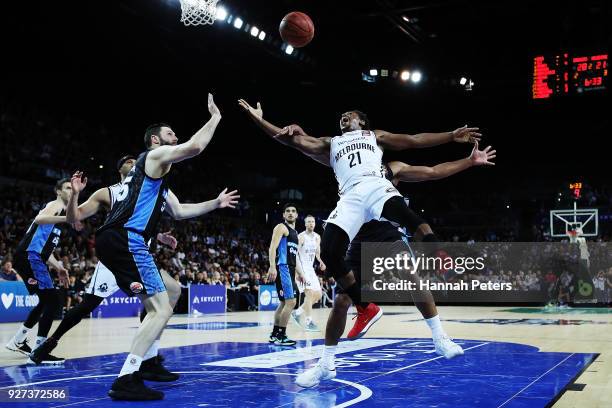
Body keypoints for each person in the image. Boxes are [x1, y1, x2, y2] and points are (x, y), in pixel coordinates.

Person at [238, 99, 488, 387]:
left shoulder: (388, 165)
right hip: (357, 231)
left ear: (364, 125)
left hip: (385, 232)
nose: (344, 116)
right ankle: (326, 363)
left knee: (413, 278)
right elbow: (293, 141)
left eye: (351, 114)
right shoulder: (333, 146)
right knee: (342, 299)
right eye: (342, 115)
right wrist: (261, 120)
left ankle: (440, 337)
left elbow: (428, 164)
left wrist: (465, 157)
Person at [95, 94, 239, 400]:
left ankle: (149, 361)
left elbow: (180, 212)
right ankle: (127, 377)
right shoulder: (154, 156)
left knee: (171, 291)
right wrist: (215, 118)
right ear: (155, 139)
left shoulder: (157, 180)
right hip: (127, 238)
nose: (177, 138)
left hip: (116, 239)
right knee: (160, 308)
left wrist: (215, 202)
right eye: (171, 134)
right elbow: (195, 147)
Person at [28, 156, 178, 366]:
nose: (134, 163)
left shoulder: (147, 190)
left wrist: (159, 236)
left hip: (136, 255)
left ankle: (148, 357)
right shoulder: (109, 191)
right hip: (115, 256)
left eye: (136, 161)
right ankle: (48, 344)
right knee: (89, 305)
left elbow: (144, 222)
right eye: (128, 161)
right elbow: (76, 217)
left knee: (155, 301)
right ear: (120, 169)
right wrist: (76, 195)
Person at [5, 178, 73, 363]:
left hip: (33, 256)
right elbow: (39, 218)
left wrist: (59, 266)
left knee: (45, 301)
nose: (71, 190)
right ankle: (39, 352)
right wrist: (66, 218)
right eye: (67, 187)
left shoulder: (59, 217)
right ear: (58, 191)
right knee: (52, 301)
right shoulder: (56, 205)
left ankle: (18, 340)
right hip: (29, 256)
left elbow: (45, 249)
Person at [267, 203, 305, 346]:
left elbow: (294, 257)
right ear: (283, 215)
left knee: (283, 303)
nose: (290, 213)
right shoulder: (281, 227)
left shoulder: (295, 234)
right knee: (291, 302)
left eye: (293, 211)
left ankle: (275, 334)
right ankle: (281, 336)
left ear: (296, 215)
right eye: (287, 211)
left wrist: (300, 273)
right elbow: (272, 247)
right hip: (283, 268)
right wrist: (272, 266)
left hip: (290, 269)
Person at [292, 215, 325, 331]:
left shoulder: (317, 237)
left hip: (310, 269)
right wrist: (298, 272)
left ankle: (297, 313)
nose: (311, 223)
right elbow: (294, 254)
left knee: (318, 295)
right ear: (305, 224)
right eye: (309, 222)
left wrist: (321, 262)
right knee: (309, 294)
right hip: (302, 269)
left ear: (315, 224)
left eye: (313, 221)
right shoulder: (301, 237)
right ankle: (308, 322)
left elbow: (317, 254)